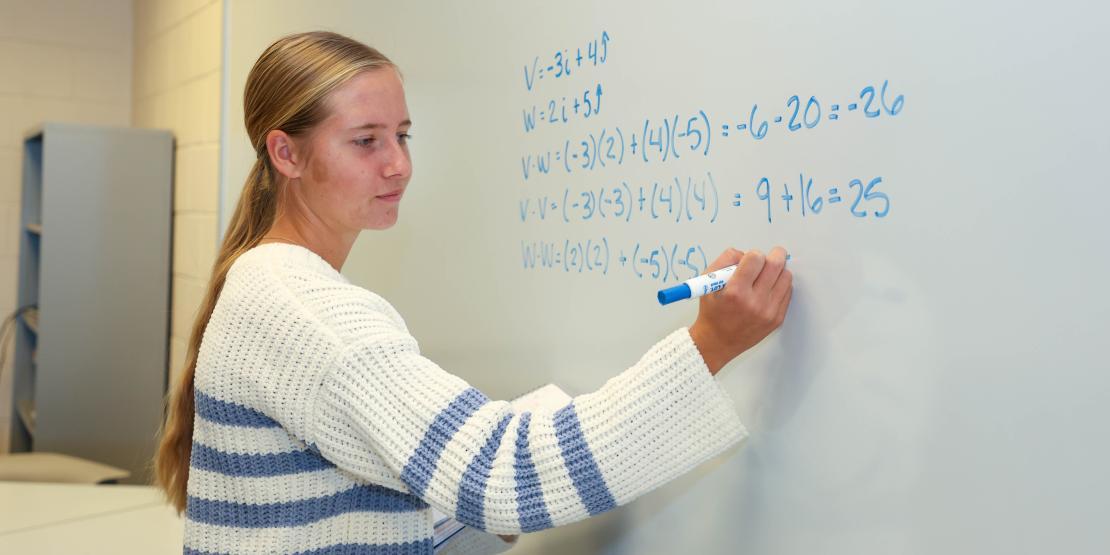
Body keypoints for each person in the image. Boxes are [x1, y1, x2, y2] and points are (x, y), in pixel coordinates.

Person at [154, 31, 793, 555]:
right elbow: (503, 475)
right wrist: (712, 344)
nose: (398, 164)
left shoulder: (270, 284)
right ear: (286, 154)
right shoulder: (306, 310)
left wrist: (486, 488)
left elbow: (356, 525)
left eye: (402, 135)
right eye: (366, 140)